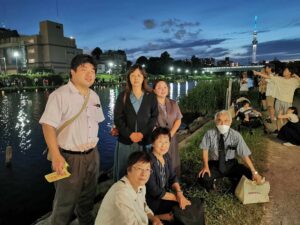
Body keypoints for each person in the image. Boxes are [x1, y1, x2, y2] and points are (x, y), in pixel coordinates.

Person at [39, 54, 104, 225]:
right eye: (84, 70)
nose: (90, 74)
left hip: (92, 155)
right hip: (69, 157)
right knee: (64, 203)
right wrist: (56, 155)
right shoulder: (59, 95)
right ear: (72, 72)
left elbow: (95, 123)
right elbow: (47, 125)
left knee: (87, 198)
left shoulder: (94, 96)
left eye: (93, 70)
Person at [198, 110, 263, 192]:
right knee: (202, 178)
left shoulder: (236, 135)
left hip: (231, 164)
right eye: (219, 120)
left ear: (230, 122)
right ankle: (213, 184)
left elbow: (244, 154)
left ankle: (232, 180)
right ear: (215, 122)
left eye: (226, 121)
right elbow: (205, 151)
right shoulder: (209, 134)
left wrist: (254, 172)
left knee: (250, 175)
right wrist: (206, 166)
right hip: (214, 164)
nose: (222, 124)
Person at [113, 64, 158, 181]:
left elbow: (154, 117)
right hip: (126, 141)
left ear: (144, 78)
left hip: (145, 141)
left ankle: (142, 196)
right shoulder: (123, 95)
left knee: (144, 172)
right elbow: (118, 118)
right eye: (132, 75)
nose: (136, 78)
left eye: (139, 75)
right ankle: (122, 196)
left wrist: (142, 133)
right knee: (124, 169)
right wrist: (130, 134)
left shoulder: (151, 96)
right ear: (128, 78)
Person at [95, 151, 163, 225]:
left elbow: (144, 207)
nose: (144, 174)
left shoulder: (141, 185)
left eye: (147, 169)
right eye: (139, 169)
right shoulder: (121, 194)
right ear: (129, 170)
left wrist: (153, 218)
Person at [146, 127, 191, 223]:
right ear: (153, 143)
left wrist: (179, 192)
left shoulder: (166, 156)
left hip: (164, 196)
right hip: (151, 201)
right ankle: (154, 216)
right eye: (160, 142)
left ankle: (162, 216)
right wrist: (178, 198)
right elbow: (154, 190)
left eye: (166, 142)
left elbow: (172, 176)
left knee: (186, 208)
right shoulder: (147, 161)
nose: (164, 146)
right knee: (181, 212)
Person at [153, 80, 183, 177]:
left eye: (165, 87)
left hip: (172, 137)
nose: (162, 89)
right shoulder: (151, 105)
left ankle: (174, 178)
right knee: (159, 158)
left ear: (168, 90)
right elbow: (149, 122)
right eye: (159, 87)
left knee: (173, 157)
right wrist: (161, 136)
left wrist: (170, 134)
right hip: (158, 139)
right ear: (154, 90)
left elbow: (178, 119)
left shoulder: (173, 103)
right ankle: (160, 180)